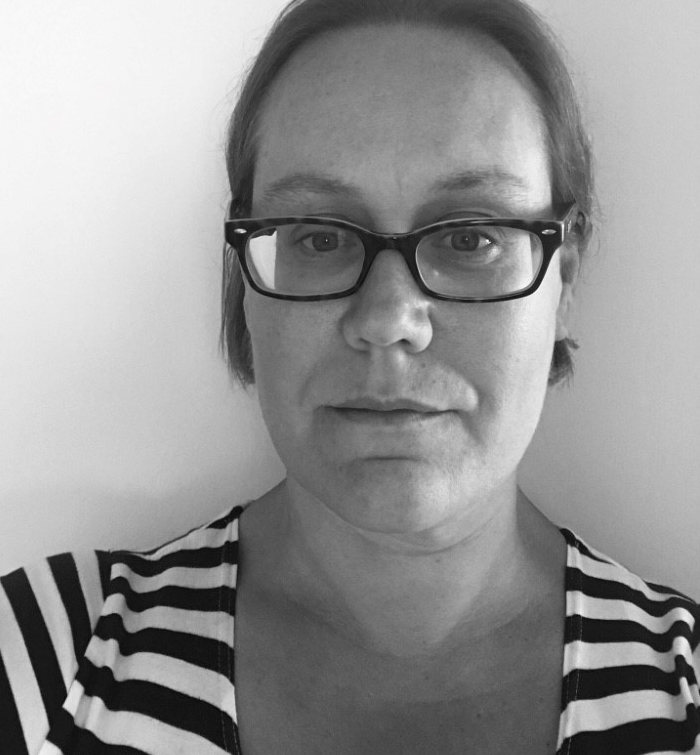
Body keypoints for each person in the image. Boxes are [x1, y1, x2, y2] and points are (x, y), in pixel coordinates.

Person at [1, 0, 698, 753]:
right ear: (244, 281)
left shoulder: (683, 693)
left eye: (471, 237)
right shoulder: (52, 660)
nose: (389, 318)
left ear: (565, 276)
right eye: (319, 237)